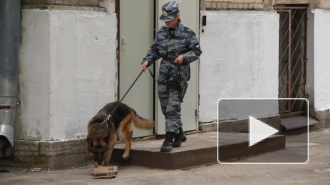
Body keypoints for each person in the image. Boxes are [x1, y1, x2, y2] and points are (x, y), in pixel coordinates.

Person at [141, 1, 202, 152]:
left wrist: (184, 57)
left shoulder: (187, 32)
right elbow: (155, 50)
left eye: (170, 19)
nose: (167, 22)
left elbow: (197, 52)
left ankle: (169, 139)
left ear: (178, 16)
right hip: (164, 74)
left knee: (173, 107)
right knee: (164, 107)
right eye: (166, 19)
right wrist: (147, 60)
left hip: (178, 75)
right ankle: (179, 133)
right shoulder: (161, 33)